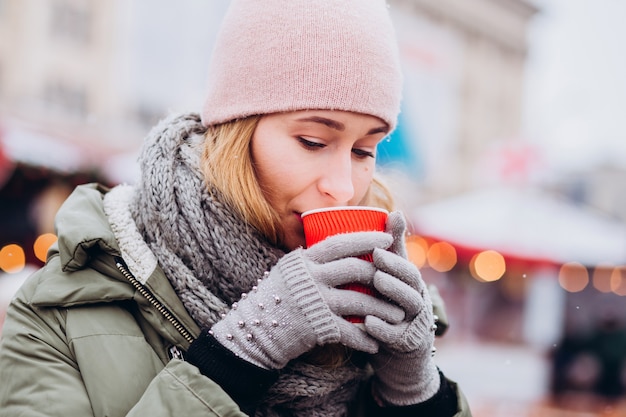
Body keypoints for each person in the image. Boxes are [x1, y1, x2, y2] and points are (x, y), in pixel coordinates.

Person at [0, 0, 472, 415]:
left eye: (364, 151)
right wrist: (237, 355)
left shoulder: (382, 312)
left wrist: (416, 394)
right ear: (235, 135)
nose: (343, 187)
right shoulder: (56, 314)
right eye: (313, 141)